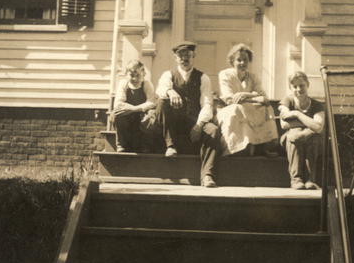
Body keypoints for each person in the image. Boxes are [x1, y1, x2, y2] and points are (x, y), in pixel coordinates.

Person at [154, 41, 220, 188]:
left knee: (213, 130)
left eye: (188, 55)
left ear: (193, 56)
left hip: (194, 122)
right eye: (181, 55)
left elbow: (207, 104)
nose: (184, 59)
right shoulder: (169, 75)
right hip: (174, 124)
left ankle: (207, 175)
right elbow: (159, 90)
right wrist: (170, 91)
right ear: (175, 58)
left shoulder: (203, 77)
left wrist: (199, 125)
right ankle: (170, 146)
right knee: (162, 101)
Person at [216, 43, 279, 156]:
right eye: (239, 60)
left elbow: (264, 98)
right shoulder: (225, 75)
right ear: (232, 61)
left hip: (247, 108)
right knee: (237, 108)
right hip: (227, 110)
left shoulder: (253, 77)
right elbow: (230, 99)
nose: (242, 63)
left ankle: (262, 147)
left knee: (266, 108)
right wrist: (254, 96)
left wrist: (245, 94)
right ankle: (237, 148)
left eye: (245, 60)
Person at [279, 71, 325, 190]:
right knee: (294, 135)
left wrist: (297, 114)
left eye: (302, 85)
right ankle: (296, 179)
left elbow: (319, 127)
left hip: (312, 138)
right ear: (290, 87)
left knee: (312, 135)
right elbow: (284, 124)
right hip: (290, 139)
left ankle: (311, 180)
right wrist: (308, 124)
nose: (298, 89)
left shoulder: (317, 105)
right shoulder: (287, 101)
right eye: (294, 86)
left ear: (308, 84)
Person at [112, 59, 156, 153]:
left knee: (151, 116)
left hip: (141, 115)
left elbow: (151, 102)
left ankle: (145, 144)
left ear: (144, 74)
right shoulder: (123, 84)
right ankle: (121, 144)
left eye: (138, 75)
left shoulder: (147, 84)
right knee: (117, 113)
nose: (135, 79)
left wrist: (133, 109)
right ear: (126, 75)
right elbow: (118, 103)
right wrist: (132, 110)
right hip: (128, 116)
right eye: (132, 75)